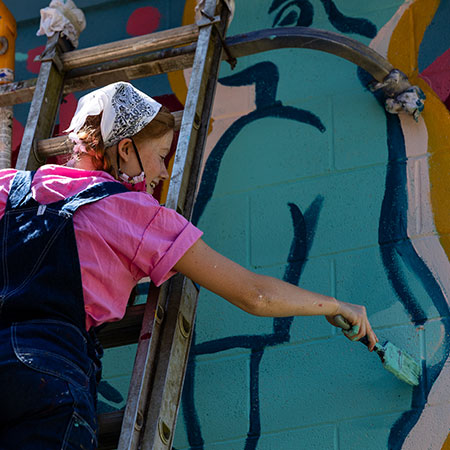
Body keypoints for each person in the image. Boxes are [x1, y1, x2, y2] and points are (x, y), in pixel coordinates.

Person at [0, 81, 377, 449]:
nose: (163, 172)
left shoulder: (8, 186)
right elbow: (255, 294)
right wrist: (335, 305)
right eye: (161, 156)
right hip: (46, 380)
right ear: (126, 148)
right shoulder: (134, 213)